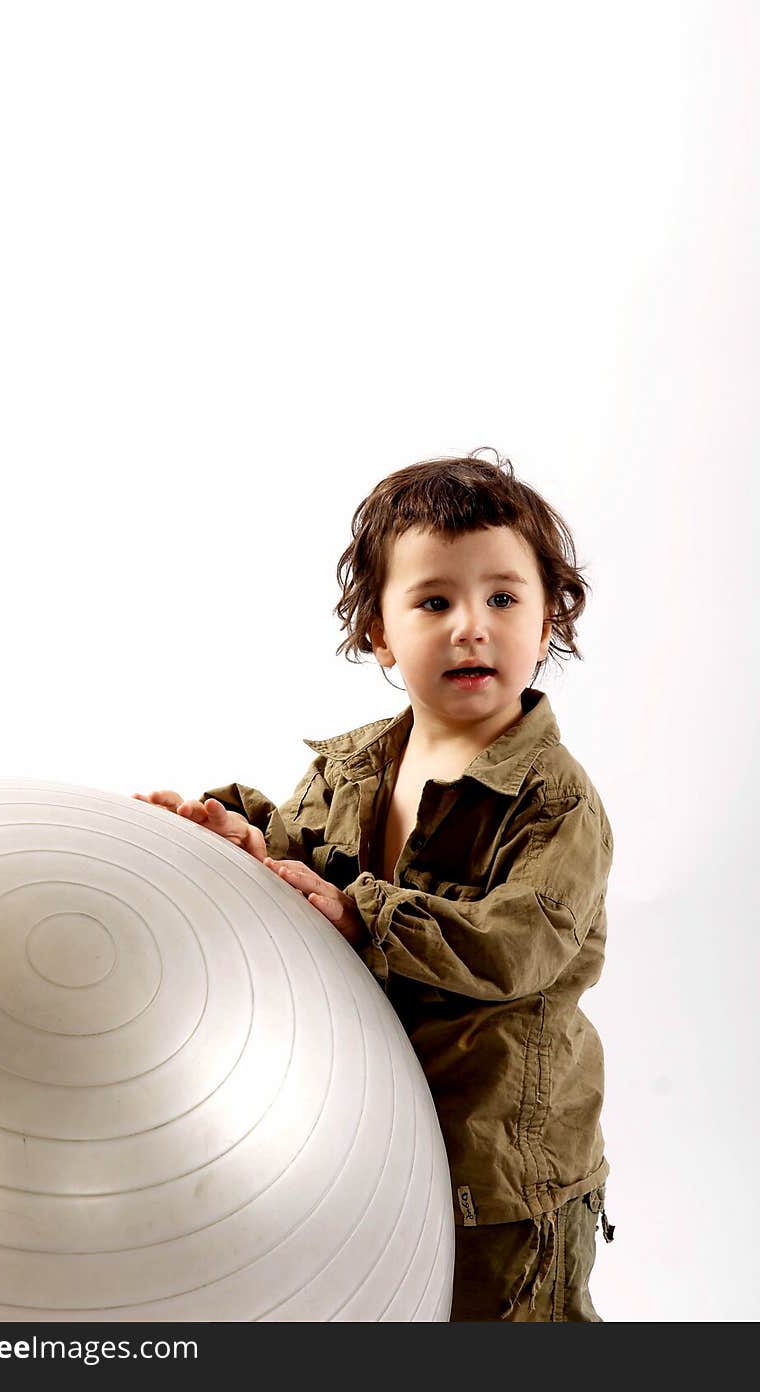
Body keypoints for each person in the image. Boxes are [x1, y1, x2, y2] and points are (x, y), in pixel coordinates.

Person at [134, 454, 615, 1322]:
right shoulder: (357, 765)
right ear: (380, 635)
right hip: (367, 1133)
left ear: (550, 619)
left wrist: (364, 912)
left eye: (503, 599)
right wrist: (242, 840)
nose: (473, 626)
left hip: (499, 1169)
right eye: (435, 602)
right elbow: (303, 872)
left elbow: (516, 945)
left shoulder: (555, 802)